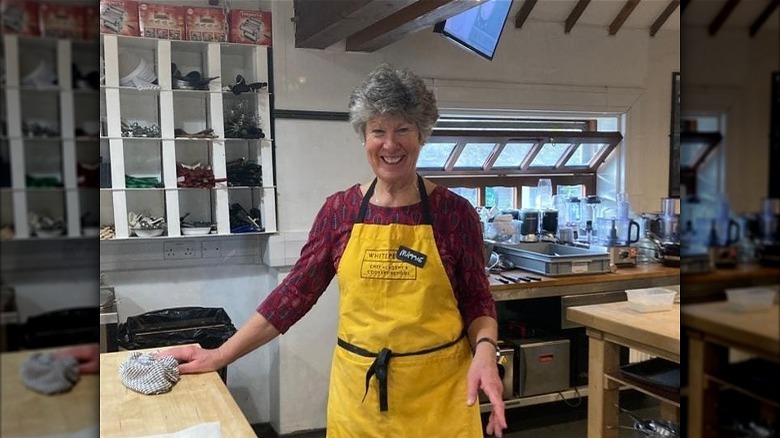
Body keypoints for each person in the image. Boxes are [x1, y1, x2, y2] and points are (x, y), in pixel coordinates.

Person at [163, 63, 508, 437]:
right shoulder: (339, 212)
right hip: (360, 400)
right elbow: (294, 295)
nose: (390, 144)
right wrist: (220, 355)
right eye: (378, 130)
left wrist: (487, 350)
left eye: (403, 129)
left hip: (441, 397)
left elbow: (477, 299)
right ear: (364, 136)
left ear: (421, 135)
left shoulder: (454, 214)